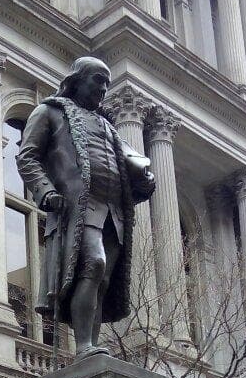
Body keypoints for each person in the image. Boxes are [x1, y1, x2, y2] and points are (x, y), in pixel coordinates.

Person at [16, 57, 155, 358]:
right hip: (78, 208)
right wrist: (46, 192)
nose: (104, 88)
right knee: (94, 264)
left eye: (107, 83)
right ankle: (83, 347)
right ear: (77, 79)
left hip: (112, 212)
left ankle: (92, 348)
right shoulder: (50, 113)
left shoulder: (108, 126)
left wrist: (143, 177)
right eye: (98, 80)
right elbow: (27, 157)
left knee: (102, 279)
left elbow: (130, 166)